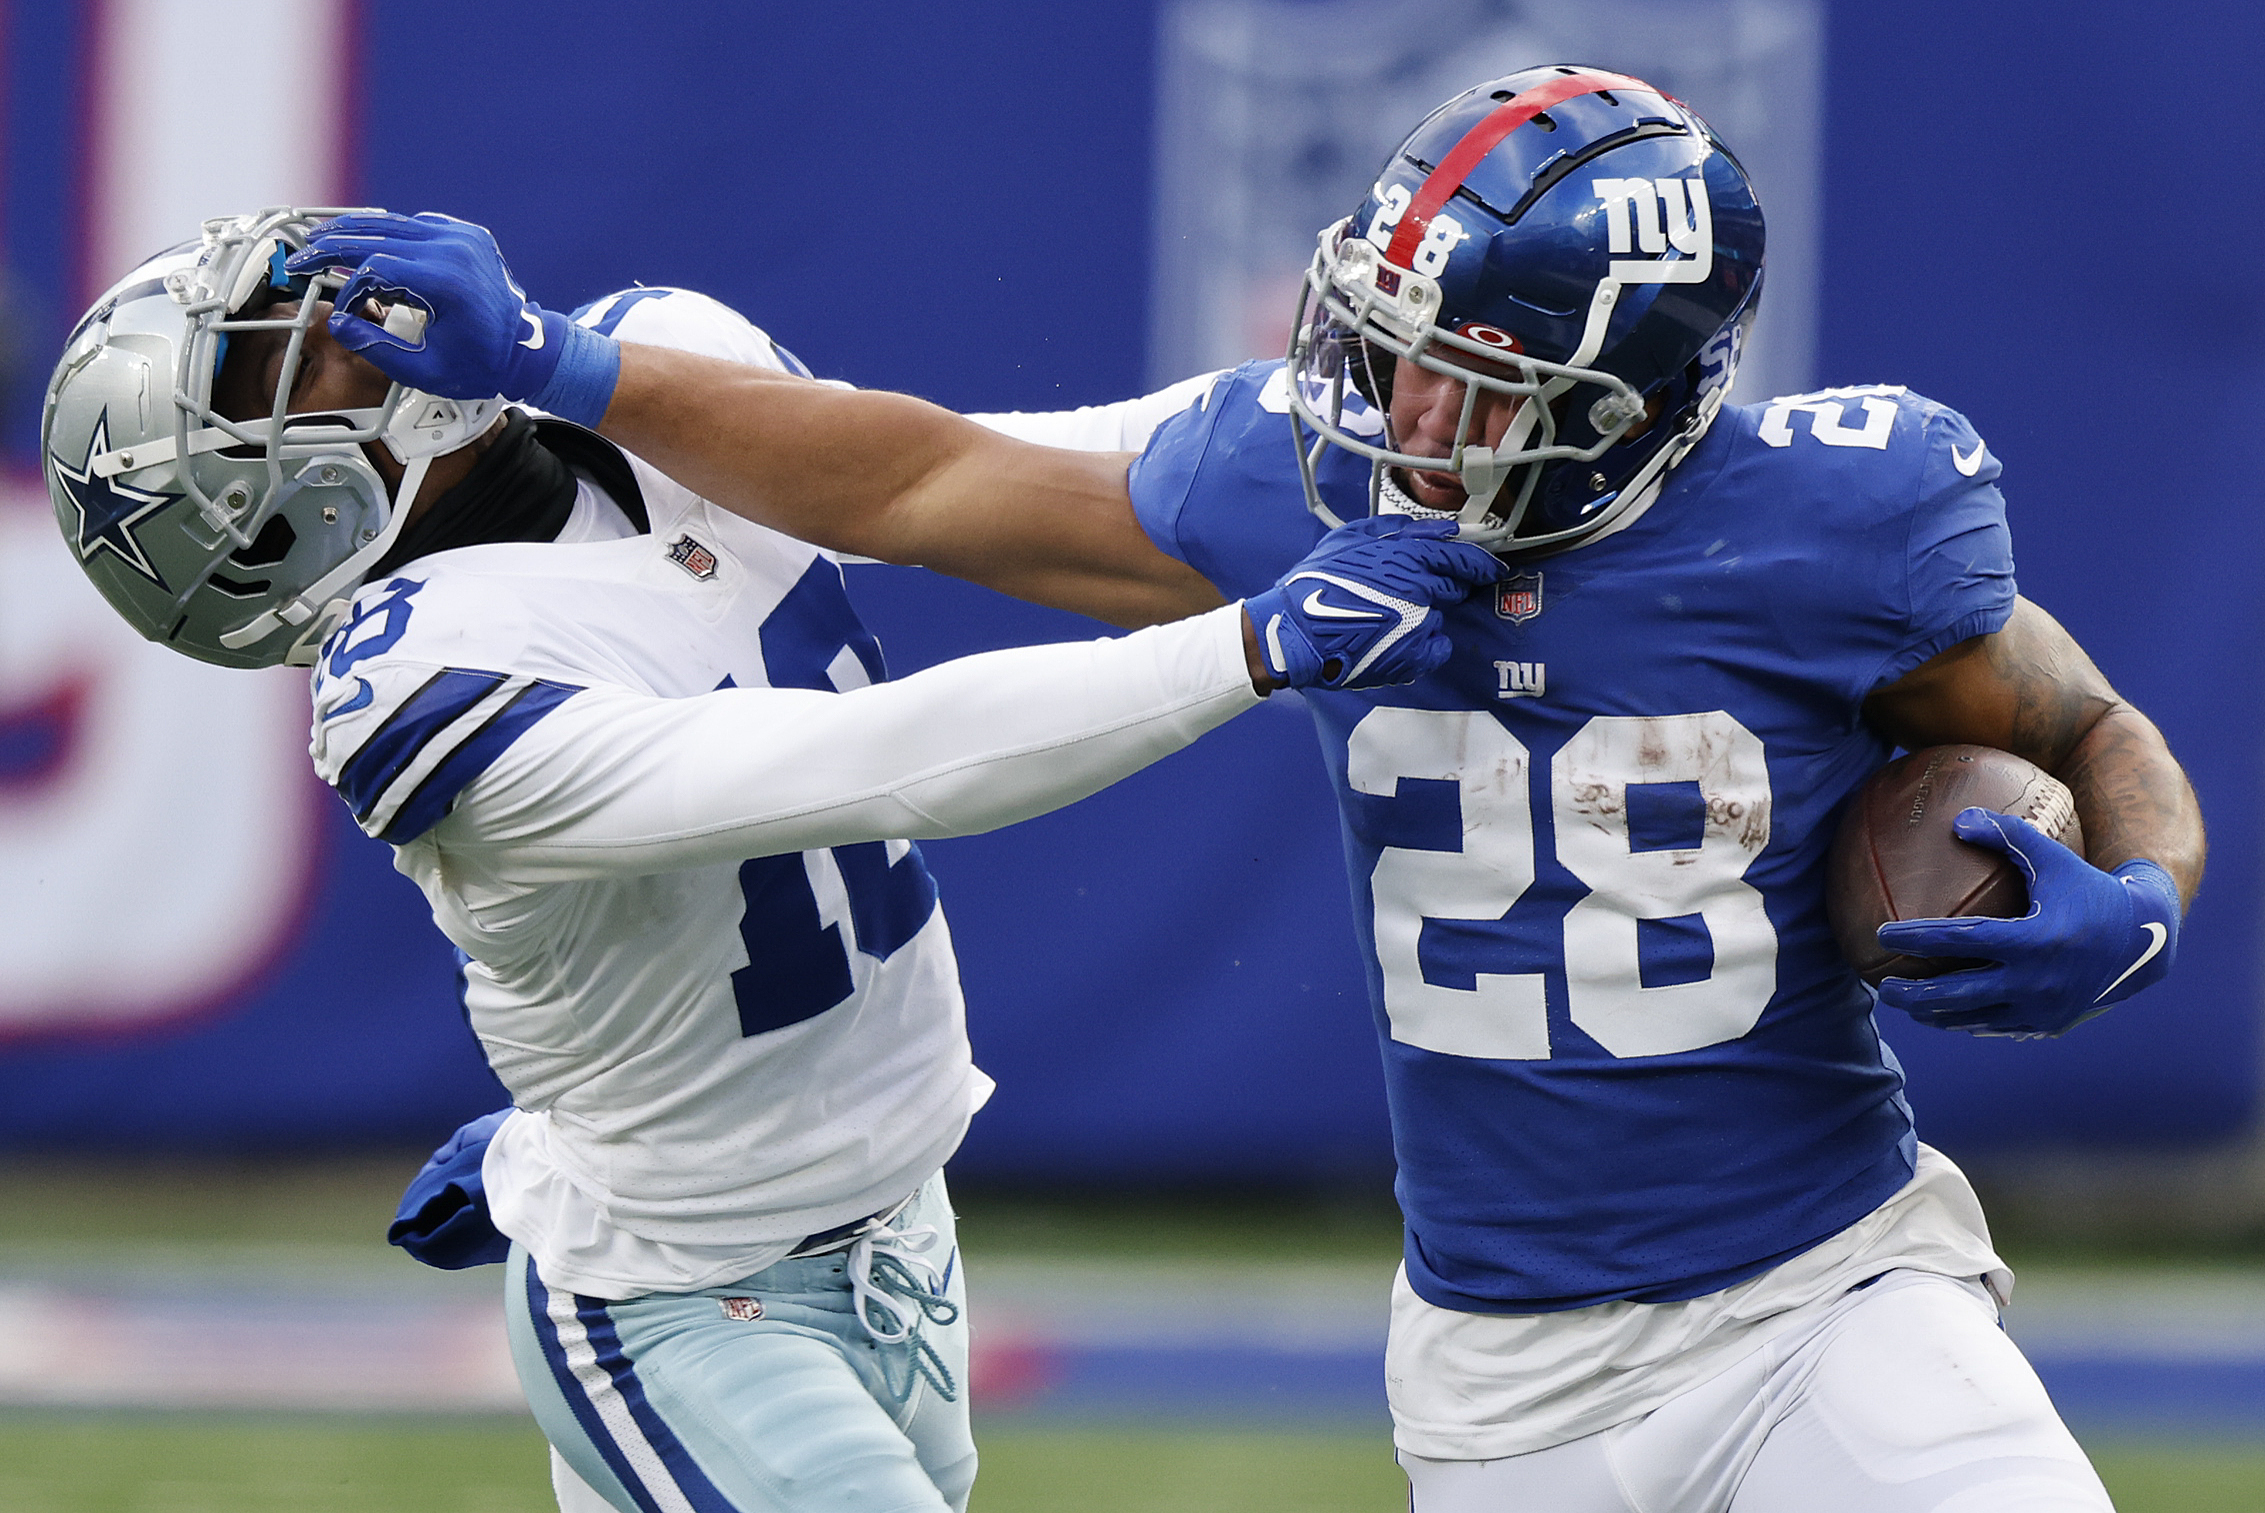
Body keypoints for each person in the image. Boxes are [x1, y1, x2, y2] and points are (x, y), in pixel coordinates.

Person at [291, 64, 2205, 1513]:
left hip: (1828, 1291)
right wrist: (565, 363)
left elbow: (2099, 736)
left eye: (1461, 379)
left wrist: (2139, 902)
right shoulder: (1302, 478)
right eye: (1384, 345)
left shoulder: (1844, 516)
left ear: (1637, 398)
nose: (1392, 416)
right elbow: (915, 480)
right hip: (1499, 1372)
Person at [40, 207, 1506, 1513]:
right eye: (284, 367)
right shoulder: (420, 683)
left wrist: (1350, 440)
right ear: (286, 518)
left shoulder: (646, 356)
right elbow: (876, 764)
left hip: (895, 1223)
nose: (341, 328)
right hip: (679, 1295)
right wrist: (1245, 647)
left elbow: (982, 465)